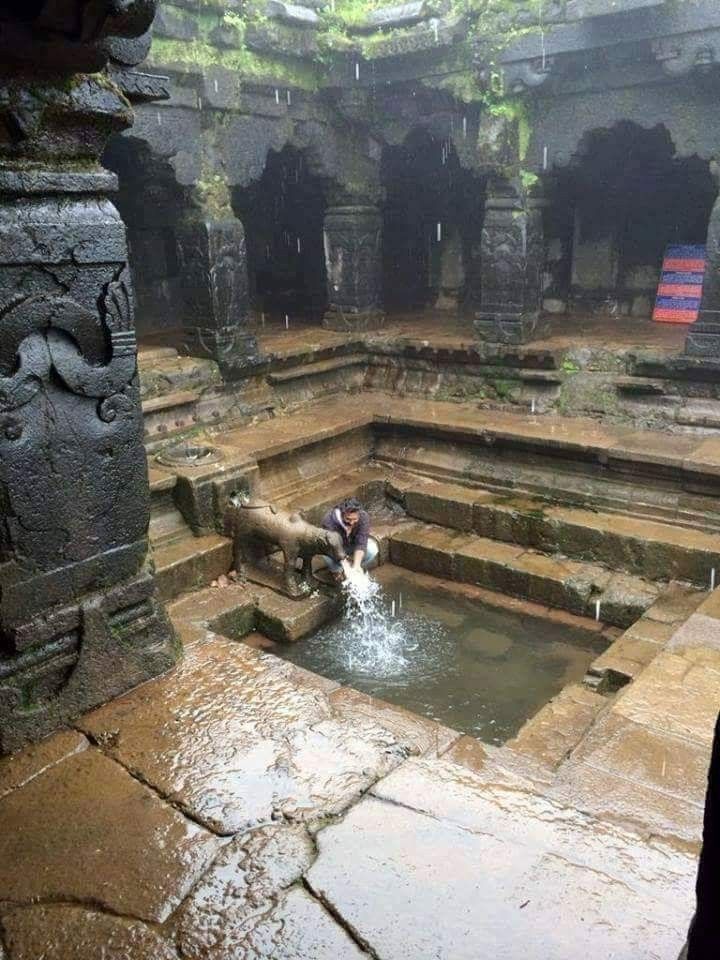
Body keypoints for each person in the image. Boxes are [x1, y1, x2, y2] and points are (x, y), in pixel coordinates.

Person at [321, 497, 378, 582]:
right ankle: (337, 570)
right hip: (334, 549)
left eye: (355, 519)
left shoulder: (364, 517)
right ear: (342, 514)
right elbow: (332, 546)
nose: (351, 523)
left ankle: (354, 565)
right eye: (348, 519)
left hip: (351, 546)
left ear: (359, 514)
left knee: (372, 549)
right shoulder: (329, 521)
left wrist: (357, 565)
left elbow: (361, 542)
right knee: (327, 555)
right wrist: (345, 565)